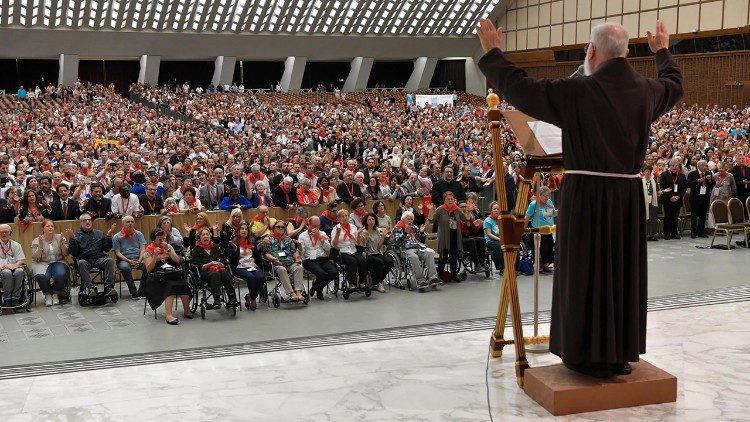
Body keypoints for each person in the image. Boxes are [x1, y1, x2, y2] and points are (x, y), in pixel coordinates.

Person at [477, 19, 683, 377]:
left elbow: (521, 88)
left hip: (587, 195)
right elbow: (675, 84)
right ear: (627, 52)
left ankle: (585, 355)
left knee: (585, 270)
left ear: (591, 51)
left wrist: (494, 53)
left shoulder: (578, 91)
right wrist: (663, 52)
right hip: (627, 196)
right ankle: (619, 352)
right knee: (620, 271)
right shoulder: (647, 90)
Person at [142, 228, 192, 325]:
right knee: (169, 286)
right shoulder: (148, 250)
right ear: (154, 240)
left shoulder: (168, 246)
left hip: (171, 272)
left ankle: (187, 310)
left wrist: (168, 250)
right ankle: (168, 315)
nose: (162, 241)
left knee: (184, 283)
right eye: (160, 239)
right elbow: (148, 269)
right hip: (157, 276)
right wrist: (155, 256)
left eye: (163, 239)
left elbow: (178, 261)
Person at [67, 213, 118, 300]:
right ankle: (90, 288)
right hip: (85, 260)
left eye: (89, 220)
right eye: (84, 220)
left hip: (98, 259)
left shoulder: (99, 233)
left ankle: (109, 287)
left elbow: (106, 249)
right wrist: (72, 239)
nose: (87, 222)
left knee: (109, 260)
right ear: (80, 223)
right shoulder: (76, 235)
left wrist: (109, 235)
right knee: (81, 262)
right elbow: (74, 253)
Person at [190, 227, 240, 309]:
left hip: (218, 270)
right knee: (215, 274)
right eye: (203, 235)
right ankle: (217, 300)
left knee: (224, 271)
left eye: (207, 234)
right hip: (204, 272)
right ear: (199, 238)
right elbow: (198, 266)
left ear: (210, 236)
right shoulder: (196, 250)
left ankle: (232, 299)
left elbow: (224, 259)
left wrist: (222, 264)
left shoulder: (216, 247)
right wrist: (210, 264)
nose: (205, 236)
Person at [391, 211, 440, 289]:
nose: (410, 221)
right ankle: (420, 280)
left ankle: (433, 278)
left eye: (411, 219)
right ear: (403, 219)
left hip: (418, 247)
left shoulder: (414, 227)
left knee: (429, 254)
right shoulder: (397, 228)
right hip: (406, 249)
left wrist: (421, 232)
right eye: (408, 219)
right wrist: (405, 232)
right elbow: (396, 242)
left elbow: (421, 240)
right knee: (414, 257)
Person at [260, 220, 306, 301]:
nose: (280, 228)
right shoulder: (268, 239)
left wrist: (297, 258)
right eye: (278, 227)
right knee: (282, 269)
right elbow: (266, 254)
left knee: (299, 267)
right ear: (274, 228)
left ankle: (298, 291)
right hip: (277, 264)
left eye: (282, 227)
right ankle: (291, 293)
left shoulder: (288, 239)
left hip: (290, 262)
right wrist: (274, 259)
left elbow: (294, 251)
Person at [31, 219, 71, 305]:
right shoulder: (37, 240)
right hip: (42, 262)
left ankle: (56, 294)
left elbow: (66, 254)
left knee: (61, 274)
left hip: (58, 261)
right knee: (42, 276)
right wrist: (40, 246)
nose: (50, 228)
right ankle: (48, 295)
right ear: (43, 228)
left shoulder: (60, 237)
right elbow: (36, 258)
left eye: (52, 226)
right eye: (48, 226)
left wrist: (62, 244)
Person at [227, 222, 265, 310]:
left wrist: (258, 248)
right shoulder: (232, 243)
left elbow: (256, 257)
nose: (244, 230)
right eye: (242, 229)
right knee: (251, 278)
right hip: (240, 267)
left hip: (252, 265)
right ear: (238, 231)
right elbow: (231, 260)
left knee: (261, 278)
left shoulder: (251, 242)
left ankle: (250, 297)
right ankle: (253, 299)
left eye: (246, 229)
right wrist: (236, 250)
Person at [298, 216, 338, 300]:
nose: (316, 228)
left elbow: (328, 248)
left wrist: (320, 237)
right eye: (314, 226)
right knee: (322, 274)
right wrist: (300, 247)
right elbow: (302, 252)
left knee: (334, 272)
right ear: (309, 224)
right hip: (309, 260)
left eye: (318, 226)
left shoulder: (322, 234)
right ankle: (319, 291)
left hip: (322, 258)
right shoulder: (302, 236)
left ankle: (315, 287)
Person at [432, 191, 466, 282]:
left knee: (454, 256)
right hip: (444, 236)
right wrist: (430, 210)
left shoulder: (457, 209)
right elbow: (431, 221)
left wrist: (467, 211)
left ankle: (454, 274)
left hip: (455, 235)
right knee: (443, 256)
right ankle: (440, 276)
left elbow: (465, 219)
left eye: (452, 199)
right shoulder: (440, 209)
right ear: (444, 200)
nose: (450, 201)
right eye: (448, 199)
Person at [332, 209, 369, 290]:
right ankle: (351, 283)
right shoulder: (336, 228)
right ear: (338, 218)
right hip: (342, 251)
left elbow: (357, 243)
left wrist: (358, 235)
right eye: (343, 216)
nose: (345, 218)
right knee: (352, 261)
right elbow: (334, 245)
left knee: (362, 260)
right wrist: (338, 234)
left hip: (353, 249)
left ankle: (362, 282)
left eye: (346, 216)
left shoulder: (353, 227)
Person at [112, 215, 146, 299]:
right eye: (128, 222)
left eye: (132, 222)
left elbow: (143, 249)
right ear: (123, 224)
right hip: (124, 259)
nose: (130, 223)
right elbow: (117, 253)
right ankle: (134, 292)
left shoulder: (139, 234)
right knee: (125, 267)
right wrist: (129, 261)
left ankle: (142, 291)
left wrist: (139, 260)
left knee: (147, 265)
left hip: (138, 258)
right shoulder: (117, 236)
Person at [524, 186, 557, 273]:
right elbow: (527, 217)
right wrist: (524, 229)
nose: (547, 197)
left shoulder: (549, 202)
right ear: (539, 195)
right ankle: (538, 265)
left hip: (548, 229)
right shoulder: (533, 204)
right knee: (539, 249)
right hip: (537, 230)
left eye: (548, 195)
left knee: (548, 248)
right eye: (545, 195)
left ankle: (545, 265)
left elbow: (550, 214)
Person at [359, 213, 393, 293]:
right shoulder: (364, 232)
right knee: (380, 262)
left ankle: (378, 280)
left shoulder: (377, 230)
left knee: (389, 262)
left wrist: (383, 236)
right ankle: (378, 283)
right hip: (368, 254)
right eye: (369, 219)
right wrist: (363, 239)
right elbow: (364, 247)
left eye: (373, 219)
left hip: (377, 252)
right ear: (366, 221)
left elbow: (378, 247)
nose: (371, 221)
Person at [658, 158, 688, 240]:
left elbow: (684, 188)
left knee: (675, 216)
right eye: (673, 166)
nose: (674, 167)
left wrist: (678, 196)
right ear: (669, 166)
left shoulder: (682, 176)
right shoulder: (664, 175)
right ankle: (667, 233)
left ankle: (674, 233)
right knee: (668, 216)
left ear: (679, 166)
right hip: (667, 199)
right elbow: (663, 187)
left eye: (676, 166)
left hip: (678, 199)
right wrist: (670, 197)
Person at [0, 224, 27, 310]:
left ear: (10, 233)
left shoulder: (16, 245)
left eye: (6, 232)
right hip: (2, 269)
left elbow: (20, 261)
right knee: (6, 273)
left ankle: (15, 298)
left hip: (15, 267)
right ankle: (7, 299)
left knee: (19, 272)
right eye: (1, 232)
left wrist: (13, 266)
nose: (4, 234)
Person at [460, 195, 489, 272]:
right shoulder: (458, 215)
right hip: (460, 237)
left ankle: (482, 262)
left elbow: (472, 231)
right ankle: (476, 264)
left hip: (469, 236)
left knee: (481, 239)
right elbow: (462, 229)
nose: (464, 208)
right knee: (471, 240)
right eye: (462, 206)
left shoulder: (471, 215)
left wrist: (477, 226)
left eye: (465, 206)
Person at [686, 160, 714, 239]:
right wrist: (697, 181)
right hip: (695, 197)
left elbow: (712, 184)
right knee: (694, 215)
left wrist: (710, 180)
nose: (706, 167)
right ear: (700, 166)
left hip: (705, 197)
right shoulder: (692, 174)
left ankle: (701, 231)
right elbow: (688, 184)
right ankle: (693, 232)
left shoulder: (708, 173)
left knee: (703, 215)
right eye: (704, 166)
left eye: (706, 166)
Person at [483, 201, 504, 274]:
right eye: (494, 209)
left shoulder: (501, 219)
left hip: (500, 239)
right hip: (489, 241)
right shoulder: (487, 220)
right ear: (491, 210)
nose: (496, 210)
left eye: (498, 209)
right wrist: (500, 239)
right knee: (499, 246)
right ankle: (501, 268)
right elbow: (489, 234)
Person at [641, 165, 661, 241]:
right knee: (645, 219)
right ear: (643, 172)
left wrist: (661, 192)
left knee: (652, 218)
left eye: (649, 171)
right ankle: (644, 235)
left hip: (652, 202)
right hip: (644, 203)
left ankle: (652, 235)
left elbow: (657, 190)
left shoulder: (654, 180)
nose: (647, 173)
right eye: (646, 171)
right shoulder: (640, 181)